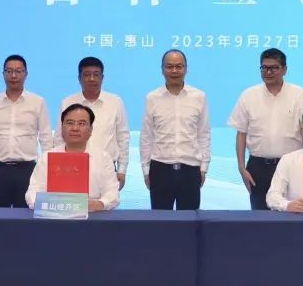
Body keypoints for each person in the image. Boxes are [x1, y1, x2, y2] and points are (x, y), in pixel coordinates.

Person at [230, 48, 303, 210]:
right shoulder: (248, 95)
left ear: (284, 70)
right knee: (259, 216)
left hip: (290, 165)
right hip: (258, 167)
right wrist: (241, 168)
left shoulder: (299, 95)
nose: (268, 72)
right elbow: (241, 133)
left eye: (273, 68)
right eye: (264, 68)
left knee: (292, 213)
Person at [0, 55, 52, 208]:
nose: (13, 75)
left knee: (26, 218)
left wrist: (48, 173)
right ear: (3, 74)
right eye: (9, 71)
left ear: (26, 74)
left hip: (27, 171)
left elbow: (46, 139)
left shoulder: (38, 102)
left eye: (18, 71)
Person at [140, 50, 211, 210]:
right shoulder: (152, 98)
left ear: (186, 69)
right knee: (160, 221)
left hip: (190, 170)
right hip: (160, 169)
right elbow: (146, 137)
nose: (174, 71)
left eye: (179, 66)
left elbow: (204, 134)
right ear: (162, 69)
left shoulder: (199, 97)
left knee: (190, 221)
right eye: (169, 66)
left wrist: (203, 168)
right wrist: (146, 170)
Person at [25, 104, 120, 211]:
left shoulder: (103, 158)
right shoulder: (47, 157)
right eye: (70, 123)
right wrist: (40, 204)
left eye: (81, 124)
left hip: (92, 215)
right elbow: (34, 190)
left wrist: (100, 204)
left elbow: (112, 192)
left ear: (90, 130)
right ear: (62, 128)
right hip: (54, 214)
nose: (75, 128)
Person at [59, 57, 131, 190]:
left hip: (106, 168)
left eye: (96, 74)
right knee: (73, 202)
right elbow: (60, 137)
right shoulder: (68, 102)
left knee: (106, 202)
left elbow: (123, 138)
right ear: (79, 78)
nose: (91, 79)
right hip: (73, 166)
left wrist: (122, 170)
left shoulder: (115, 102)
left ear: (102, 77)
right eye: (87, 74)